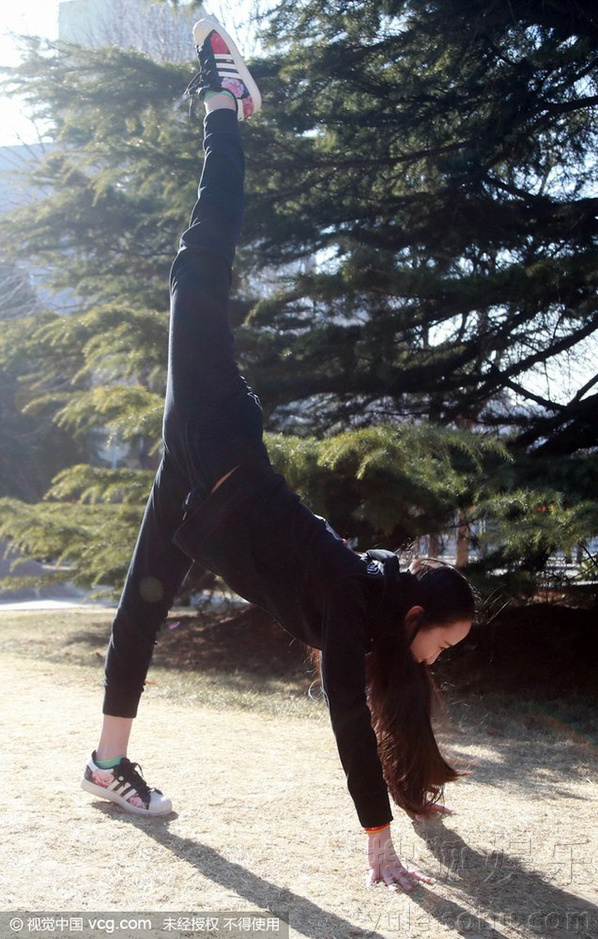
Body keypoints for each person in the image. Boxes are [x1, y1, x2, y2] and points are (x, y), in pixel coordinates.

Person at [81, 15, 476, 892]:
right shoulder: (350, 589)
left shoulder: (370, 620)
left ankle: (108, 766)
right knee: (197, 266)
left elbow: (372, 707)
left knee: (140, 606)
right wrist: (378, 839)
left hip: (198, 482)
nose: (441, 659)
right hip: (218, 440)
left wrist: (408, 798)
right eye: (444, 643)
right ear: (417, 620)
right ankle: (226, 101)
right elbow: (343, 714)